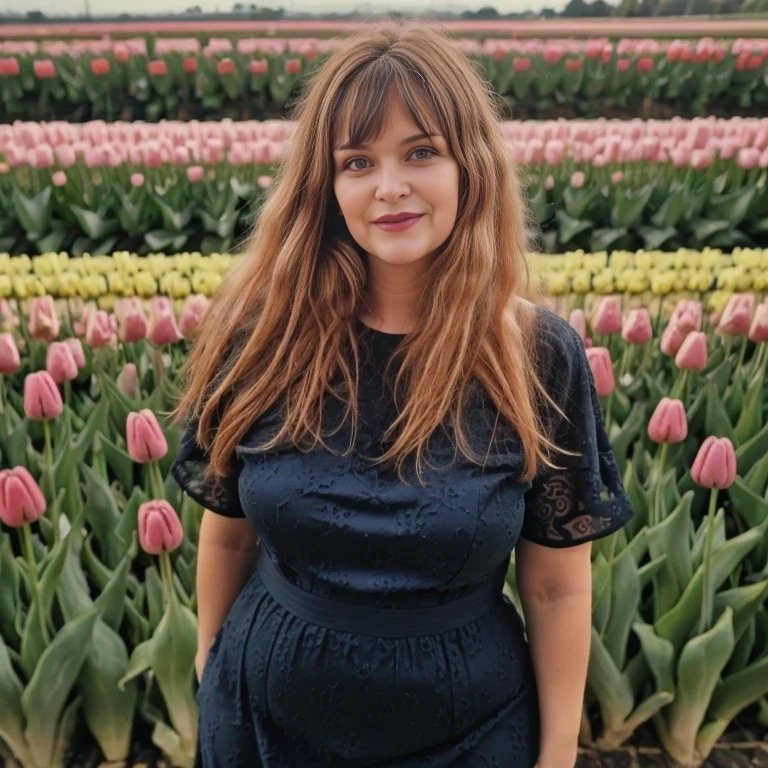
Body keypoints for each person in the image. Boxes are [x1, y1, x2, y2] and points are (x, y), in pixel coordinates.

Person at [169, 19, 635, 768]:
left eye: (421, 152)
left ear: (470, 166)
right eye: (357, 162)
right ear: (325, 187)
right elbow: (226, 533)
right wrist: (210, 667)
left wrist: (556, 755)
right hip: (264, 727)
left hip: (470, 734)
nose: (389, 188)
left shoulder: (536, 356)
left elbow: (556, 588)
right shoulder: (262, 341)